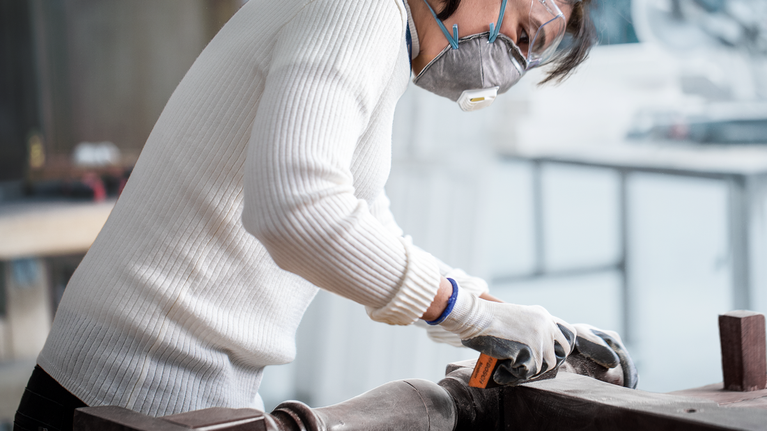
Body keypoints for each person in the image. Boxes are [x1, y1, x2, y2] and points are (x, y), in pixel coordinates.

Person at [14, 0, 634, 429]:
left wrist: (492, 314)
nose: (504, 67)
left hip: (159, 392)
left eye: (525, 57)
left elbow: (361, 215)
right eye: (522, 35)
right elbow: (296, 208)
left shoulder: (381, 30)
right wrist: (466, 313)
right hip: (128, 395)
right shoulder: (358, 11)